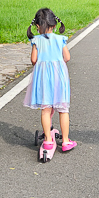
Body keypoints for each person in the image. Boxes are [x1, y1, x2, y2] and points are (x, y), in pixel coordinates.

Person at [24, 8, 74, 158]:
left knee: (46, 109)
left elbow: (33, 60)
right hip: (59, 77)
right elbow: (67, 57)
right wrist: (58, 63)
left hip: (43, 78)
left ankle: (47, 140)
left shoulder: (36, 41)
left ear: (37, 26)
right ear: (54, 24)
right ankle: (65, 141)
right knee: (63, 109)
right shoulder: (60, 39)